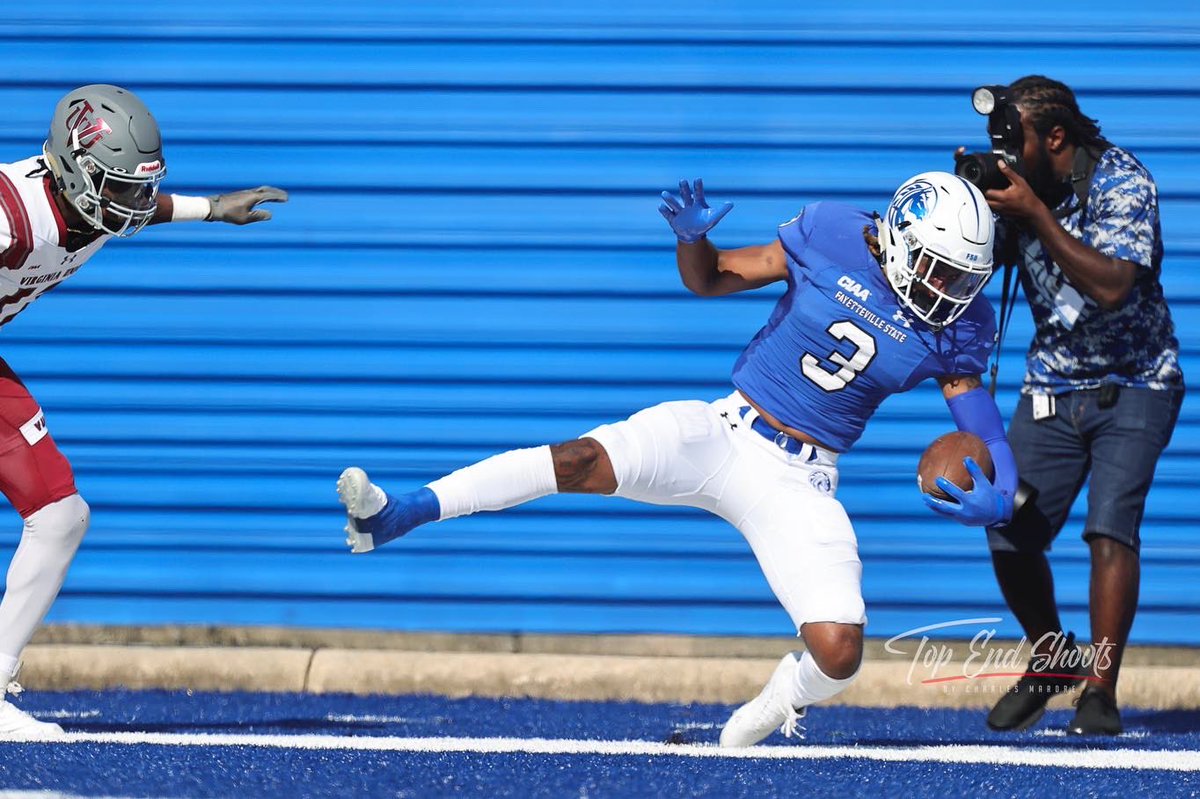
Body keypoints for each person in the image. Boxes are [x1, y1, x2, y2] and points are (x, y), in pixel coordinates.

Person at [337, 171, 1018, 748]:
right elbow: (713, 278)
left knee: (839, 654)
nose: (947, 287)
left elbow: (982, 427)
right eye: (938, 266)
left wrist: (1000, 493)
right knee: (578, 458)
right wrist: (693, 239)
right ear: (897, 235)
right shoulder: (831, 231)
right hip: (723, 431)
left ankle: (786, 694)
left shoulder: (960, 322)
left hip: (801, 477)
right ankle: (399, 513)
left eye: (962, 275)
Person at [0, 84, 286, 738]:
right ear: (75, 172)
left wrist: (212, 209)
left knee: (60, 515)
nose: (131, 205)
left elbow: (135, 206)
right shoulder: (10, 213)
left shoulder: (88, 204)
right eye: (118, 188)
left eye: (136, 188)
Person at [968, 75, 1183, 736]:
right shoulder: (1019, 194)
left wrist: (1034, 214)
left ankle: (1101, 690)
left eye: (1013, 138)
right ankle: (1052, 654)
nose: (1002, 152)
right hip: (1052, 386)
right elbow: (975, 266)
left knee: (1109, 526)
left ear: (1055, 137)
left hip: (1137, 383)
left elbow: (1116, 285)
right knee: (1007, 523)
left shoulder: (1124, 183)